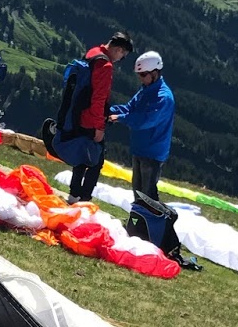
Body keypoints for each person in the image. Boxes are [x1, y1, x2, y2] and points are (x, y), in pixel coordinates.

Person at [65, 31, 133, 202]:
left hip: (78, 113)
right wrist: (99, 127)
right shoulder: (105, 66)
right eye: (123, 55)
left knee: (82, 156)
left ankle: (73, 194)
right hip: (91, 119)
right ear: (118, 49)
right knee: (96, 162)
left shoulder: (93, 53)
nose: (121, 58)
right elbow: (98, 99)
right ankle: (84, 199)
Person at [109, 50, 175, 200]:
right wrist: (109, 111)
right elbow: (130, 108)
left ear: (155, 73)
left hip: (152, 153)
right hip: (140, 149)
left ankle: (148, 215)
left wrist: (120, 118)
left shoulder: (163, 97)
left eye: (143, 74)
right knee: (138, 192)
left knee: (147, 195)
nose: (140, 78)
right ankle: (138, 214)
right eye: (139, 74)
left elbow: (145, 120)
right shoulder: (145, 90)